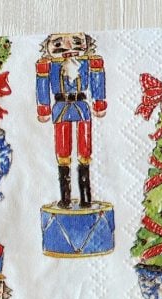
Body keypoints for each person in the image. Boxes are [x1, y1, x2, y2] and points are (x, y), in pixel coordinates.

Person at [36, 32, 106, 208]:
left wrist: (99, 102)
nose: (67, 46)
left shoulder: (87, 63)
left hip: (81, 107)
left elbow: (97, 80)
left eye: (75, 41)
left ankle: (85, 197)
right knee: (62, 151)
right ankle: (65, 197)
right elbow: (42, 85)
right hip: (60, 108)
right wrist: (43, 106)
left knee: (84, 150)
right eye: (59, 43)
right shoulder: (50, 66)